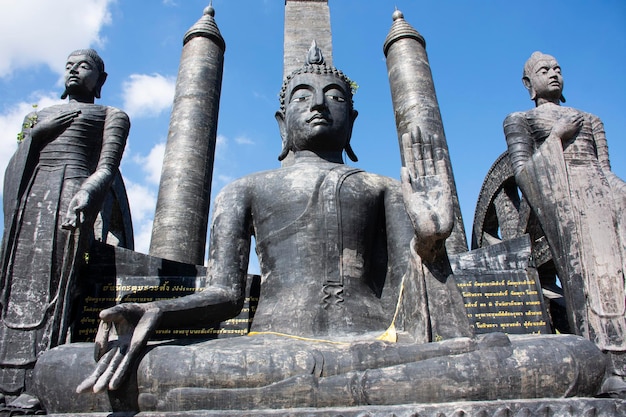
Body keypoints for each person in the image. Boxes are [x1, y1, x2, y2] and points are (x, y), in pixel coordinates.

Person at [36, 46, 606, 414]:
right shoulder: (246, 189)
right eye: (302, 99)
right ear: (281, 120)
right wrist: (157, 311)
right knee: (61, 369)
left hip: (379, 346)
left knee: (574, 357)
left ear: (352, 120)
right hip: (268, 351)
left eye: (335, 99)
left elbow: (414, 302)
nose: (318, 107)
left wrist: (431, 244)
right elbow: (225, 295)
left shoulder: (382, 186)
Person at [0, 49, 131, 409]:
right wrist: (35, 134)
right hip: (31, 197)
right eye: (69, 66)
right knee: (15, 281)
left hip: (72, 194)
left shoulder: (111, 115)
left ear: (101, 80)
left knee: (57, 281)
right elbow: (16, 167)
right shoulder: (37, 117)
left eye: (84, 66)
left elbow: (107, 167)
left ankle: (36, 375)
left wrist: (87, 192)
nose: (74, 70)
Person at [504, 51, 626, 389]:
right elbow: (524, 174)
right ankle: (606, 364)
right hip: (565, 200)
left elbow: (607, 170)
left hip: (606, 199)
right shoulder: (520, 120)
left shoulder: (591, 120)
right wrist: (557, 135)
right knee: (590, 280)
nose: (554, 74)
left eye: (558, 68)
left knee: (618, 276)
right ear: (529, 83)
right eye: (545, 70)